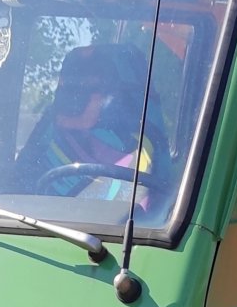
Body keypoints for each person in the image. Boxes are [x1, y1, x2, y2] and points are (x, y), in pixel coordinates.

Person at [17, 44, 164, 199]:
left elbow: (151, 212)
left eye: (91, 88)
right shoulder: (43, 138)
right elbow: (11, 199)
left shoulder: (139, 149)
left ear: (111, 96)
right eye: (70, 87)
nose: (76, 98)